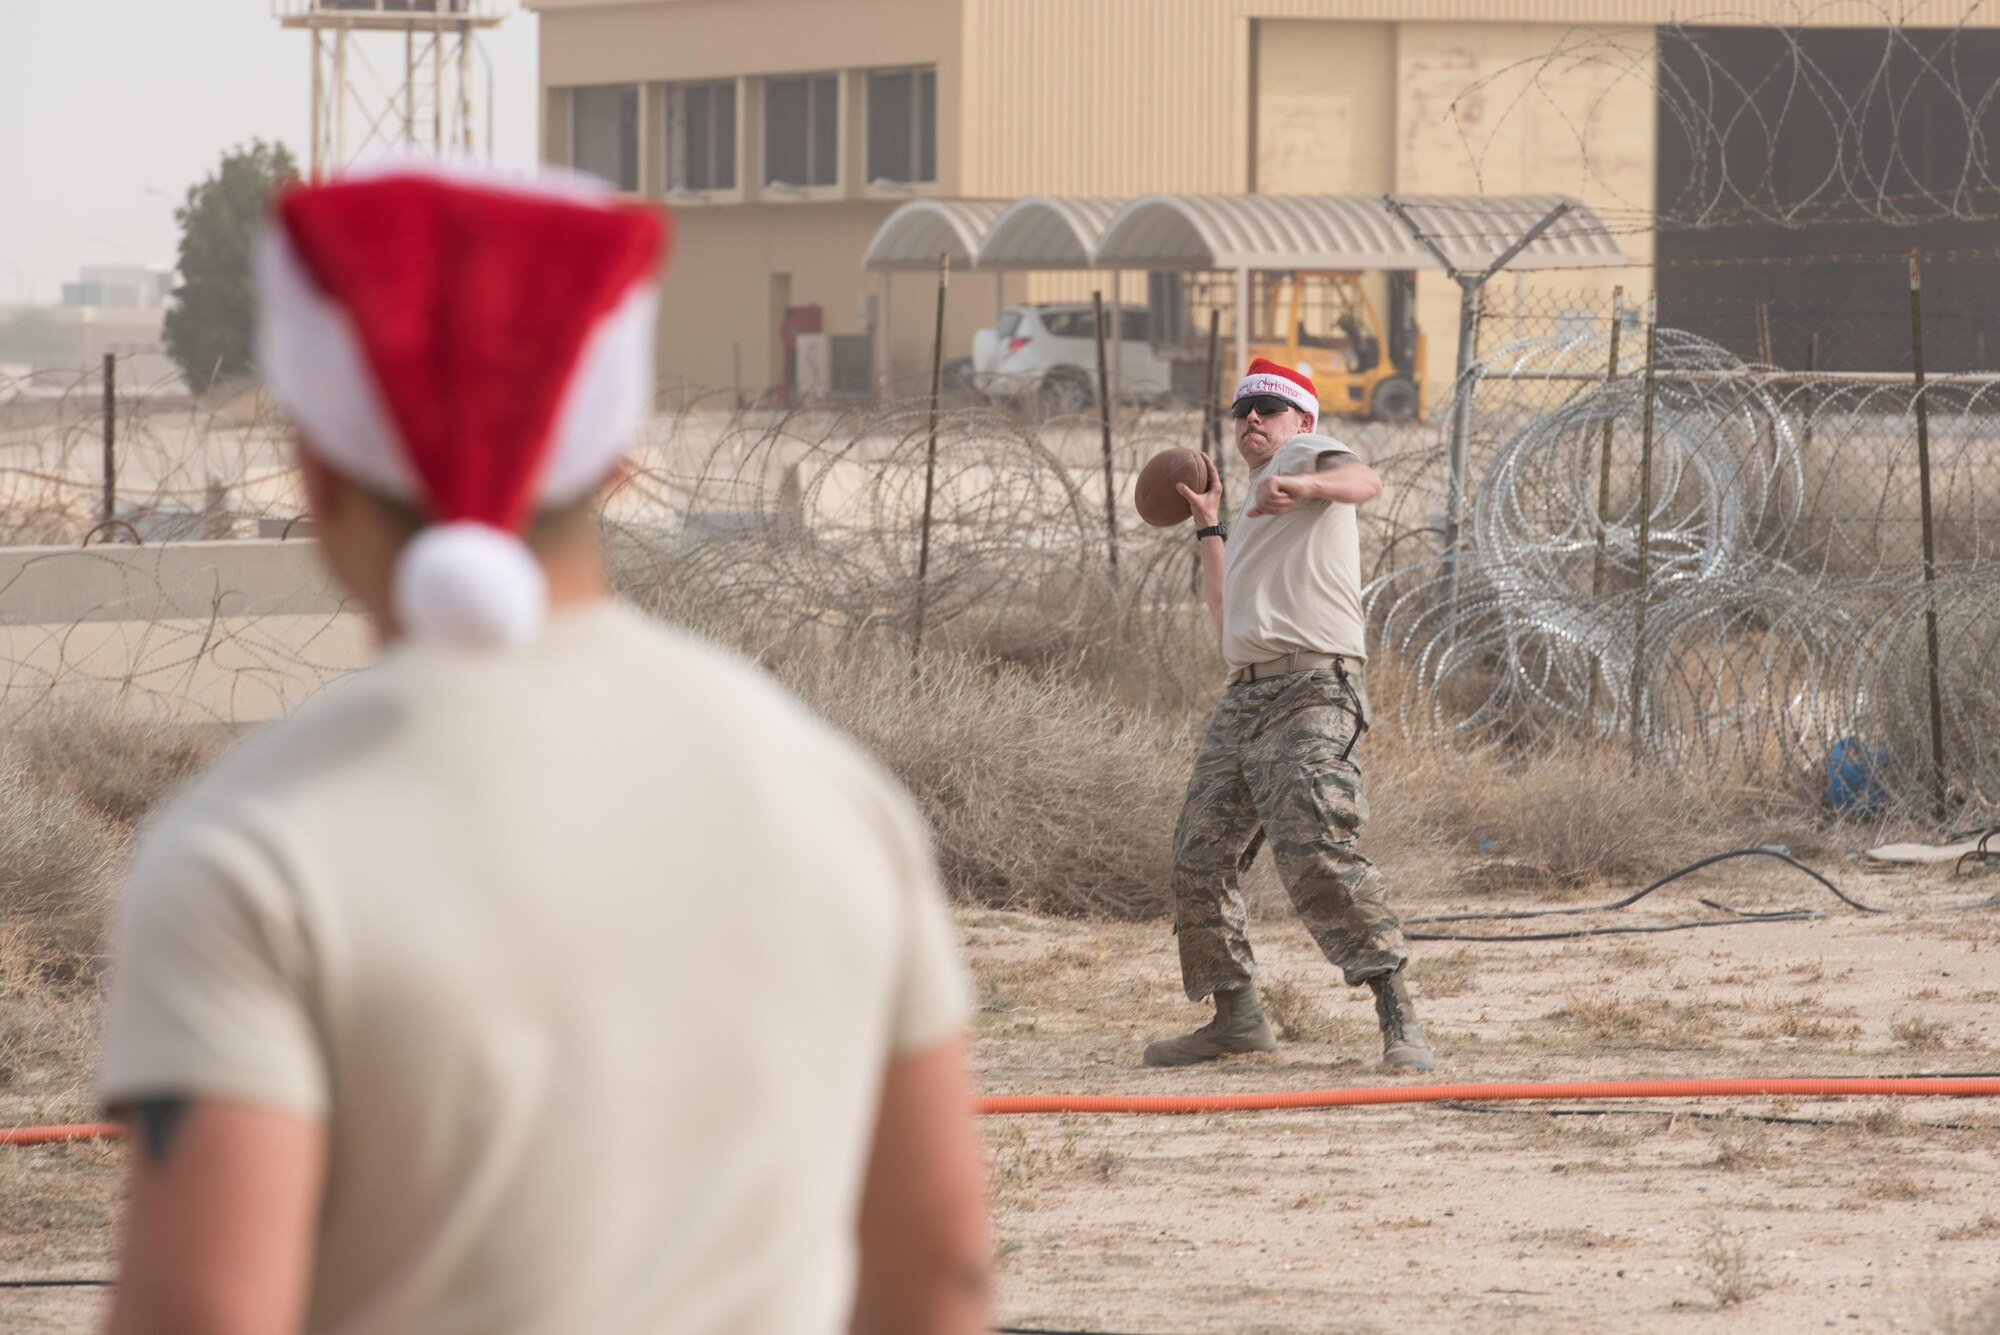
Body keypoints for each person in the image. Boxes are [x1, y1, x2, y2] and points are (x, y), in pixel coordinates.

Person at [96, 163, 991, 1335]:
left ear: (314, 476)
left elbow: (207, 1312)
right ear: (615, 458)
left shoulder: (249, 852)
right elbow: (941, 1274)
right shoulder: (826, 792)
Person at [1143, 358, 1435, 1074]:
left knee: (1316, 846)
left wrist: (1302, 481)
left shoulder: (1304, 459)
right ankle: (1236, 1017)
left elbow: (1367, 481)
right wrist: (1210, 526)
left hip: (1313, 685)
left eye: (1269, 408)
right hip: (1244, 693)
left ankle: (1399, 1014)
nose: (1252, 420)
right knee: (1199, 855)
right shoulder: (1250, 504)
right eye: (1243, 410)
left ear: (1301, 420)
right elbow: (1225, 615)